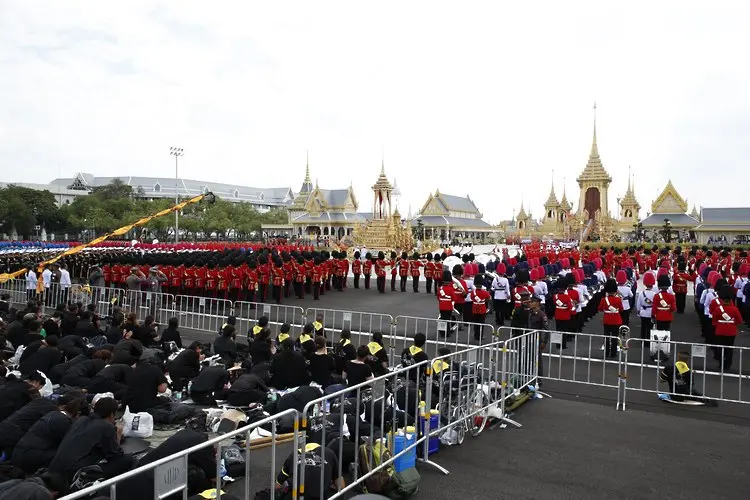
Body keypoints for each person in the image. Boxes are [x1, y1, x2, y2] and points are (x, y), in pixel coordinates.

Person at [49, 397, 134, 483]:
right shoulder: (106, 427)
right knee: (127, 460)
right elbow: (115, 455)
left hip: (55, 469)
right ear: (112, 414)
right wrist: (118, 435)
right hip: (73, 475)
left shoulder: (81, 420)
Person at [11, 390, 87, 473]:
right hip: (30, 457)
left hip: (20, 453)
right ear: (78, 414)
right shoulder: (63, 421)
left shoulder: (53, 414)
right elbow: (70, 445)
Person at [125, 358, 193, 424]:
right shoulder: (155, 369)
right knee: (185, 408)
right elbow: (162, 389)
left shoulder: (132, 370)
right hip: (146, 407)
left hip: (129, 407)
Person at [276, 443, 344, 500]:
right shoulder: (330, 453)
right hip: (321, 497)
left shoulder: (293, 455)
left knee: (282, 490)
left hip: (298, 496)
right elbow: (341, 486)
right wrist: (328, 484)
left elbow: (278, 485)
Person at [712, 285, 743, 370]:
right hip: (731, 331)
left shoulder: (718, 309)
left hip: (720, 330)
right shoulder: (734, 309)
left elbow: (714, 320)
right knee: (729, 348)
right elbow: (739, 320)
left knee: (720, 348)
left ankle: (721, 363)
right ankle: (728, 364)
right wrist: (732, 323)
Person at [598, 279, 624, 359]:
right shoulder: (618, 299)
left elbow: (599, 309)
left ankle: (606, 353)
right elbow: (622, 309)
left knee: (606, 337)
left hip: (607, 320)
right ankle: (613, 353)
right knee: (614, 338)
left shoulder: (603, 299)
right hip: (616, 320)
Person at [636, 271, 657, 346]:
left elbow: (638, 303)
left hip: (643, 312)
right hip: (650, 312)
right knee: (649, 328)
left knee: (643, 327)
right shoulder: (654, 294)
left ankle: (642, 340)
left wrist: (638, 311)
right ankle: (648, 341)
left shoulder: (642, 293)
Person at [468, 275, 491, 341]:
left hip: (475, 308)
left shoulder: (473, 292)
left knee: (476, 323)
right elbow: (488, 299)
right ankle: (480, 336)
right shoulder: (485, 292)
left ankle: (476, 335)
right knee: (481, 323)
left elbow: (472, 299)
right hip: (482, 309)